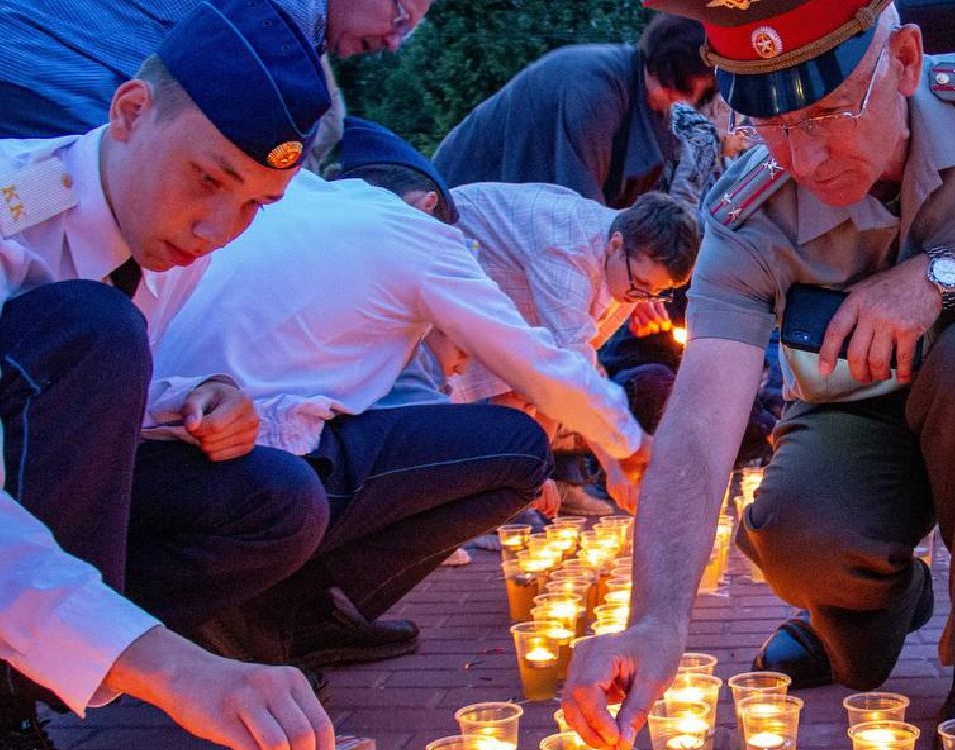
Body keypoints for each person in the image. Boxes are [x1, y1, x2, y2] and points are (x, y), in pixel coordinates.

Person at [560, 0, 955, 750]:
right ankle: (875, 608)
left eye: (829, 112)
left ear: (904, 60)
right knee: (796, 540)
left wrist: (944, 278)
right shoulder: (746, 214)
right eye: (773, 126)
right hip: (858, 417)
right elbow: (699, 423)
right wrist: (653, 620)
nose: (805, 156)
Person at [0, 0, 336, 750]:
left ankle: (53, 669)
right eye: (209, 181)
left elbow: (63, 394)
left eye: (254, 206)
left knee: (277, 497)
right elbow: (73, 350)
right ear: (131, 110)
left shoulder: (162, 232)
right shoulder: (10, 204)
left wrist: (196, 397)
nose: (219, 229)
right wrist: (175, 671)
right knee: (96, 331)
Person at [147, 122, 654, 667]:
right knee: (519, 447)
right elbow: (540, 366)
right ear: (426, 203)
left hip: (153, 454)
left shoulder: (289, 199)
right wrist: (629, 442)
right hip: (255, 470)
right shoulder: (412, 233)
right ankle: (279, 610)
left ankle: (302, 608)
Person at [0, 0, 437, 139]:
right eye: (399, 18)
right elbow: (255, 123)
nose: (394, 44)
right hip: (39, 68)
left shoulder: (294, 3)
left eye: (409, 34)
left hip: (51, 75)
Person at [443, 180, 700, 516]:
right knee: (491, 391)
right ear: (616, 244)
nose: (643, 300)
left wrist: (609, 465)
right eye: (641, 286)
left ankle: (514, 494)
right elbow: (571, 368)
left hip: (512, 280)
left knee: (530, 390)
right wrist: (624, 452)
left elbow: (568, 375)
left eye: (657, 293)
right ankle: (477, 512)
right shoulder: (566, 249)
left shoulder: (625, 267)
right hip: (461, 252)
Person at [434, 15, 714, 206]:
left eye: (696, 96)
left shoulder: (652, 108)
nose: (684, 104)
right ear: (663, 69)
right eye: (682, 89)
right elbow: (578, 208)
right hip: (466, 196)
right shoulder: (593, 90)